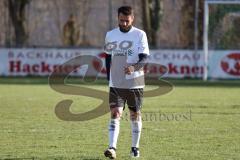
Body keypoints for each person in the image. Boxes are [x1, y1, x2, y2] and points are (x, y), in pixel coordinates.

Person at [103, 6, 149, 159]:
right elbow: (108, 57)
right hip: (116, 82)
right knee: (115, 113)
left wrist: (134, 68)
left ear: (132, 19)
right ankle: (112, 148)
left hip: (135, 82)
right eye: (121, 20)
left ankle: (135, 148)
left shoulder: (140, 35)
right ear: (118, 18)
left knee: (135, 114)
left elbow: (144, 58)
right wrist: (109, 76)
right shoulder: (110, 35)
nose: (123, 23)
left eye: (127, 21)